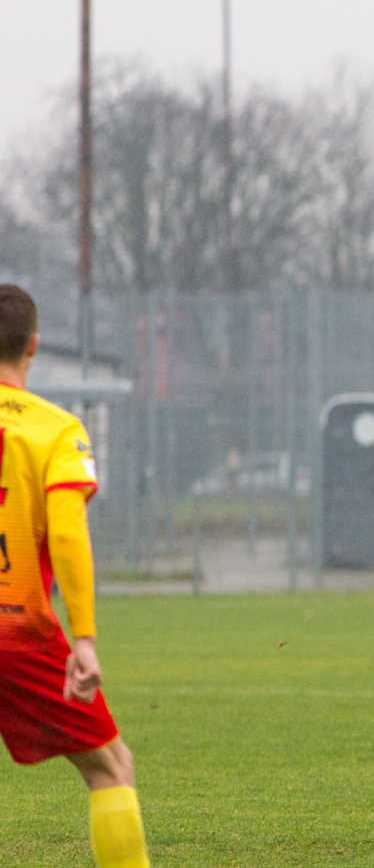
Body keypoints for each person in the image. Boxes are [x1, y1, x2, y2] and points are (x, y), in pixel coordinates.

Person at [0, 284, 151, 868]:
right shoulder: (57, 429)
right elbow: (66, 533)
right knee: (110, 767)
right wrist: (82, 639)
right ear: (34, 345)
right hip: (19, 632)